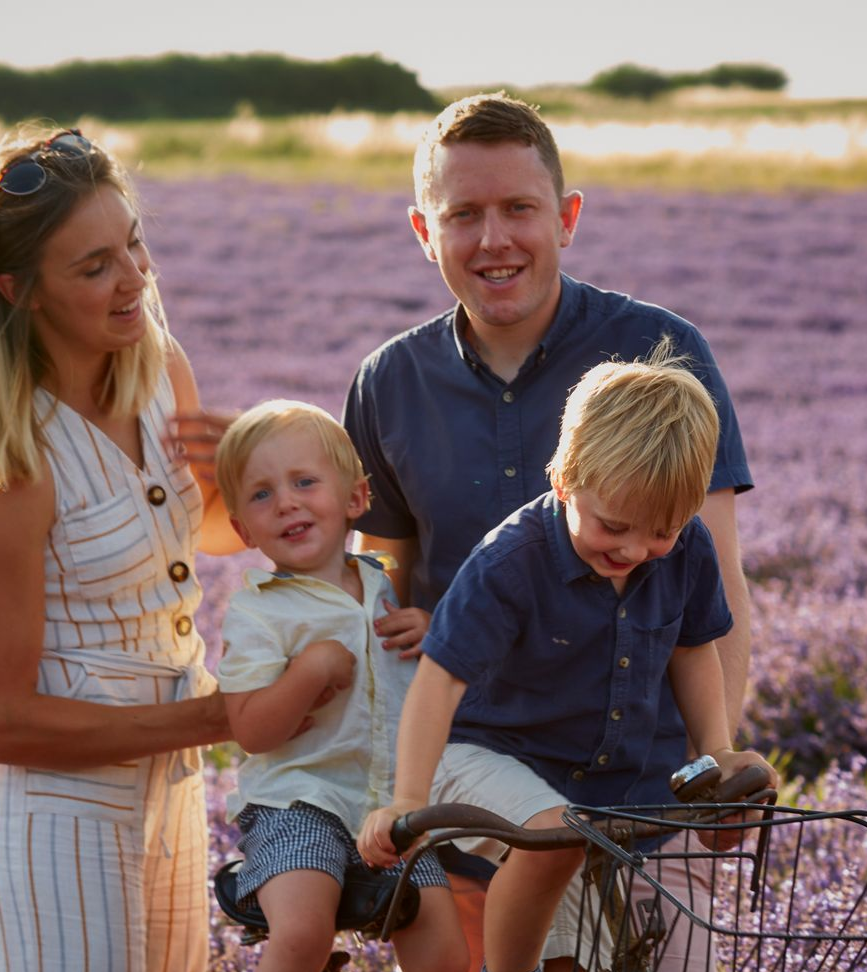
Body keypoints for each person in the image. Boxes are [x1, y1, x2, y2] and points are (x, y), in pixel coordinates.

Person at [340, 93, 757, 967]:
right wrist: (396, 795)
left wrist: (713, 775)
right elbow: (386, 586)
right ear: (425, 231)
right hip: (490, 794)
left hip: (653, 794)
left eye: (519, 209)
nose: (494, 240)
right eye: (464, 215)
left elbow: (710, 586)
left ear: (565, 218)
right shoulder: (389, 382)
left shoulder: (660, 355)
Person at [0, 126, 241, 972]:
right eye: (94, 267)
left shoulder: (160, 369)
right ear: (18, 289)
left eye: (133, 244)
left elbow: (200, 528)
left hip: (168, 784)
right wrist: (225, 716)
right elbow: (4, 721)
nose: (135, 278)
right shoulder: (1, 459)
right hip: (47, 812)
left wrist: (273, 475)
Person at [357, 349, 780, 972]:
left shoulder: (686, 549)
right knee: (558, 836)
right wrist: (407, 801)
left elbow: (694, 651)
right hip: (482, 757)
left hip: (606, 789)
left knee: (587, 922)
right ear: (563, 479)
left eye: (659, 532)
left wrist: (715, 753)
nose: (635, 549)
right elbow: (439, 682)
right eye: (614, 526)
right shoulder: (510, 561)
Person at [213, 400, 466, 972]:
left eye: (305, 481)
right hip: (297, 803)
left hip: (386, 807)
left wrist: (434, 636)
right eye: (261, 495)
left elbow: (428, 687)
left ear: (355, 498)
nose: (286, 502)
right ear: (241, 529)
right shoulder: (258, 612)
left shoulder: (384, 586)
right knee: (303, 931)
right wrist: (309, 672)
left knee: (445, 949)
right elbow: (251, 731)